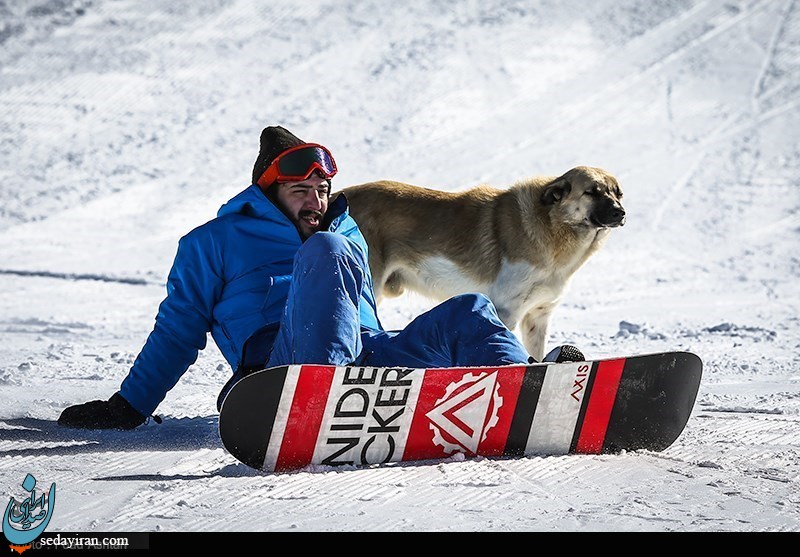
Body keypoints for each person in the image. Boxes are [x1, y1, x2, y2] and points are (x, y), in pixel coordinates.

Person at [58, 126, 583, 430]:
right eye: (301, 190)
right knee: (327, 249)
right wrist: (128, 406)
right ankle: (321, 395)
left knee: (471, 309)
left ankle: (526, 394)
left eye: (323, 188)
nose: (317, 200)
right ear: (269, 189)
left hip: (368, 360)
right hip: (280, 369)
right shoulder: (213, 242)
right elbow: (176, 332)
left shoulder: (344, 230)